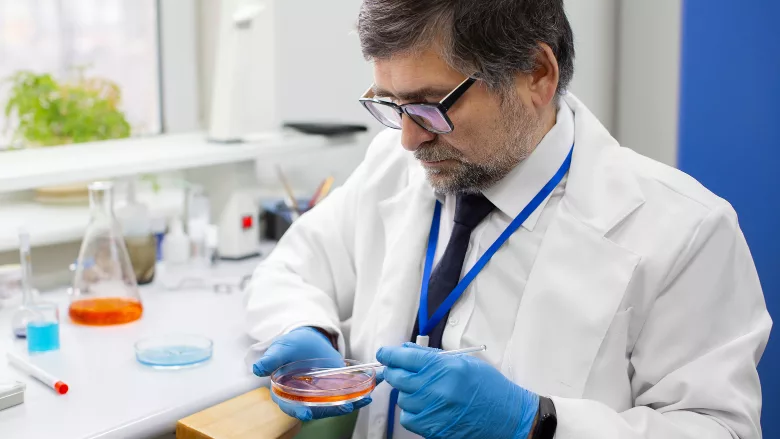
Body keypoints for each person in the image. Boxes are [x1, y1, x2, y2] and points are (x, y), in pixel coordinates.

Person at [245, 1, 772, 438]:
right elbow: (294, 267)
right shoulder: (395, 165)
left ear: (537, 74)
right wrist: (306, 328)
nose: (408, 138)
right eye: (392, 105)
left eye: (430, 106)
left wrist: (538, 423)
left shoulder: (685, 229)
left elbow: (719, 428)